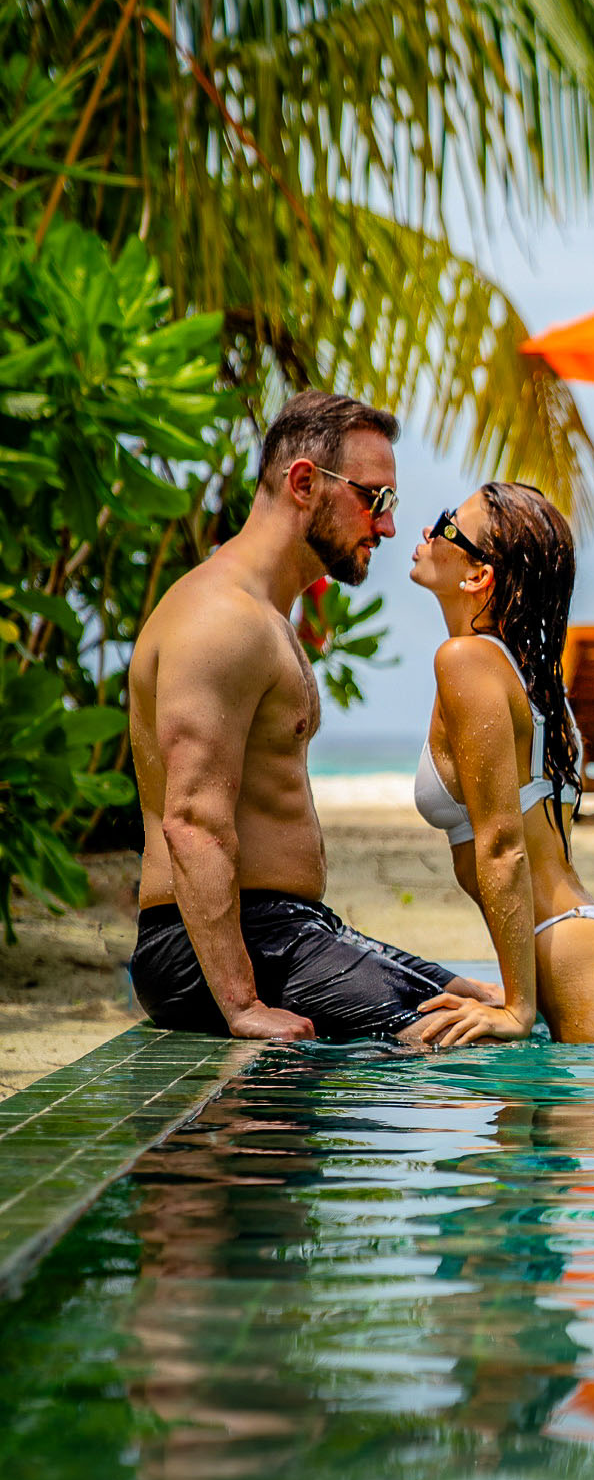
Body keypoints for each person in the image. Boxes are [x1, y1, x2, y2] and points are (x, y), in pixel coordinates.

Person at [127, 391, 501, 1042]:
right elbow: (192, 823)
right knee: (449, 1045)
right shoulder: (221, 621)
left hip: (290, 929)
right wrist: (242, 1006)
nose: (386, 528)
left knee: (480, 1006)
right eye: (375, 500)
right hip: (212, 946)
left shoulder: (267, 620)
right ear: (305, 483)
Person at [406, 482, 594, 1045]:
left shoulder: (466, 660)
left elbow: (502, 845)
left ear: (477, 576)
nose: (426, 532)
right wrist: (518, 988)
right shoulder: (530, 679)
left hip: (589, 972)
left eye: (445, 523)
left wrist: (518, 1009)